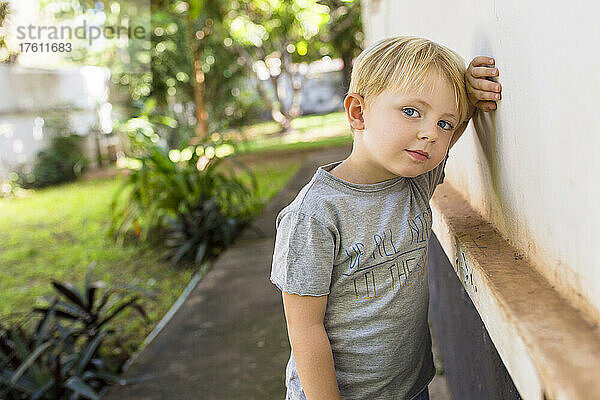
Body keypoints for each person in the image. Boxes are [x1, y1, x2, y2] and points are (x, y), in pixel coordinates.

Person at [270, 36, 502, 400]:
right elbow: (305, 331)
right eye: (411, 111)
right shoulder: (313, 216)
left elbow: (457, 123)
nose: (429, 133)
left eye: (444, 123)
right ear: (358, 113)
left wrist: (470, 92)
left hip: (410, 389)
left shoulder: (414, 179)